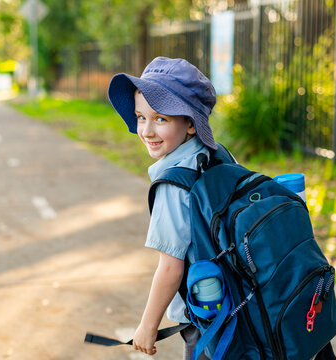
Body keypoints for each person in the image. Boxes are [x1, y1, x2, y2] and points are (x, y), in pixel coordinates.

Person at [108, 56, 218, 359]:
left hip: (206, 316)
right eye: (141, 117)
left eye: (161, 119)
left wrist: (147, 325)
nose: (147, 130)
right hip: (236, 300)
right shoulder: (217, 156)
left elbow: (171, 267)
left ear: (191, 125)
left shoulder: (174, 183)